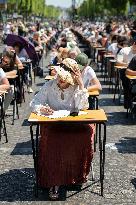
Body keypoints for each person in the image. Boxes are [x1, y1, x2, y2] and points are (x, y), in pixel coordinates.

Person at [30, 58, 94, 200]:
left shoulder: (76, 87)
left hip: (73, 124)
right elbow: (34, 103)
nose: (59, 80)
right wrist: (42, 108)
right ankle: (55, 181)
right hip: (54, 124)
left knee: (86, 133)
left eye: (63, 78)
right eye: (59, 76)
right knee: (54, 139)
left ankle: (76, 174)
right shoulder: (49, 85)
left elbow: (84, 107)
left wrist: (81, 84)